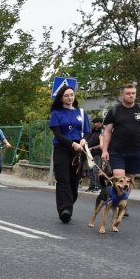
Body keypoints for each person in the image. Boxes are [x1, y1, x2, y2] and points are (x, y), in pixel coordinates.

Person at [101, 84, 140, 189]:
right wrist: (104, 150)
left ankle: (122, 203)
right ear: (122, 95)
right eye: (128, 93)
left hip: (136, 150)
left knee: (129, 181)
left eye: (133, 93)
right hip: (117, 150)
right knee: (119, 177)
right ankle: (116, 203)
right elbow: (107, 131)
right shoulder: (114, 110)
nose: (131, 95)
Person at [49, 85, 90, 223]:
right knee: (63, 179)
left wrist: (84, 140)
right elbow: (58, 134)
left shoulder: (82, 113)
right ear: (61, 98)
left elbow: (88, 132)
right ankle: (64, 210)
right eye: (66, 95)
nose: (69, 97)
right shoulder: (56, 113)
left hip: (79, 150)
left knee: (74, 181)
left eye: (71, 94)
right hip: (62, 148)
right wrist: (72, 144)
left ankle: (68, 205)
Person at [84, 117, 104, 192]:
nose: (94, 124)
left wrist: (92, 148)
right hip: (89, 153)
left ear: (100, 123)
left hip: (97, 153)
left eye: (95, 123)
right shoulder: (92, 131)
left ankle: (97, 186)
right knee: (90, 170)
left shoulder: (102, 132)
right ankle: (92, 186)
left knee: (96, 170)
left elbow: (102, 144)